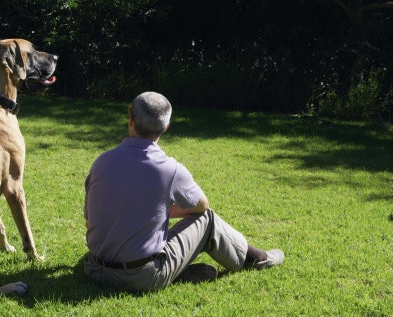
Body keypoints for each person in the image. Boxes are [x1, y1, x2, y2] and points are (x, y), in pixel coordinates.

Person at [82, 91, 284, 291]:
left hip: (94, 269)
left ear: (130, 116)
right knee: (208, 220)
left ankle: (175, 272)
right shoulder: (169, 169)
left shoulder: (101, 162)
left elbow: (91, 221)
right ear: (166, 126)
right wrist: (165, 210)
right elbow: (202, 207)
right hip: (140, 277)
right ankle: (257, 259)